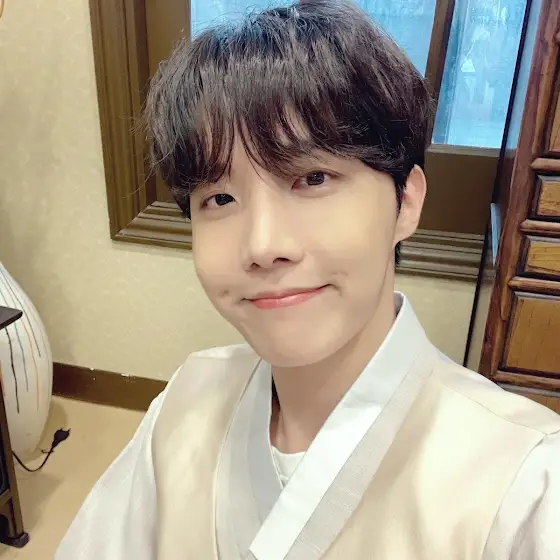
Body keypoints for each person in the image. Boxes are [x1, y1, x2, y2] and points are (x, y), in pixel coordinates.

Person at [55, 1, 560, 558]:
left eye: (313, 178)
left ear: (406, 202)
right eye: (219, 198)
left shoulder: (525, 482)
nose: (263, 245)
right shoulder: (188, 398)